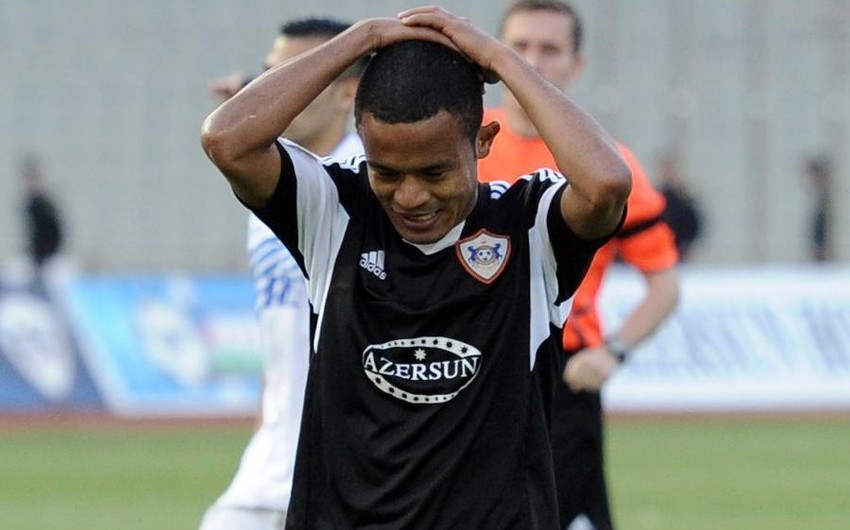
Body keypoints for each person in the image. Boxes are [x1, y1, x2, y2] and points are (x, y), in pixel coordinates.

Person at [201, 6, 631, 528]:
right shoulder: (334, 210)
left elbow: (607, 183)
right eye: (386, 172)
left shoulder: (529, 225)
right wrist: (361, 39)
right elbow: (226, 140)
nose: (410, 196)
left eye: (434, 172)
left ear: (482, 141)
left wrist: (500, 58)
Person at [477, 2, 680, 529]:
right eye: (519, 46)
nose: (532, 60)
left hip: (562, 377)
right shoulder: (459, 144)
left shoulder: (606, 164)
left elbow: (665, 286)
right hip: (469, 368)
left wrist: (614, 351)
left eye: (550, 49)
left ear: (576, 64)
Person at [198, 18, 365, 530]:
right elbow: (282, 336)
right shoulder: (268, 182)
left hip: (352, 480)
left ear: (347, 94)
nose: (275, 89)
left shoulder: (372, 180)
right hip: (269, 470)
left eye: (294, 74)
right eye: (269, 75)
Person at [657, 151, 703, 262]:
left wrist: (686, 244)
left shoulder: (685, 200)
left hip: (679, 252)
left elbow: (693, 223)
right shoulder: (656, 196)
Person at [20, 154, 64, 271]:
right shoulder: (31, 204)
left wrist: (46, 257)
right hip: (38, 259)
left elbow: (54, 232)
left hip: (48, 259)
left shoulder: (45, 205)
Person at [802, 154, 833, 262]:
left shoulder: (824, 192)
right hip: (817, 218)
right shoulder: (813, 191)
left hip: (821, 219)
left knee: (818, 239)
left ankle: (819, 256)